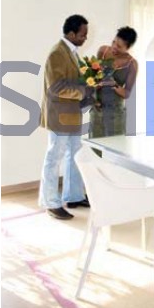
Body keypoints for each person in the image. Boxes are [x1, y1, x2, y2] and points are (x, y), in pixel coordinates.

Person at [39, 14, 95, 220]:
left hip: (72, 115)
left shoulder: (72, 53)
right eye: (83, 35)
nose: (85, 38)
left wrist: (91, 87)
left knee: (75, 155)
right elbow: (56, 88)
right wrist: (84, 90)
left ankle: (74, 196)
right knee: (54, 158)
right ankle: (51, 203)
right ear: (71, 34)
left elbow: (75, 80)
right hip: (60, 116)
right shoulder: (57, 53)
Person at [89, 26, 138, 139]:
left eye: (119, 46)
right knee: (95, 145)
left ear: (128, 47)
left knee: (115, 145)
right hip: (97, 109)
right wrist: (95, 90)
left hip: (116, 114)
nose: (114, 47)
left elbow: (127, 93)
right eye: (114, 42)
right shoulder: (103, 51)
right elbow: (93, 77)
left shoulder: (132, 64)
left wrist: (114, 84)